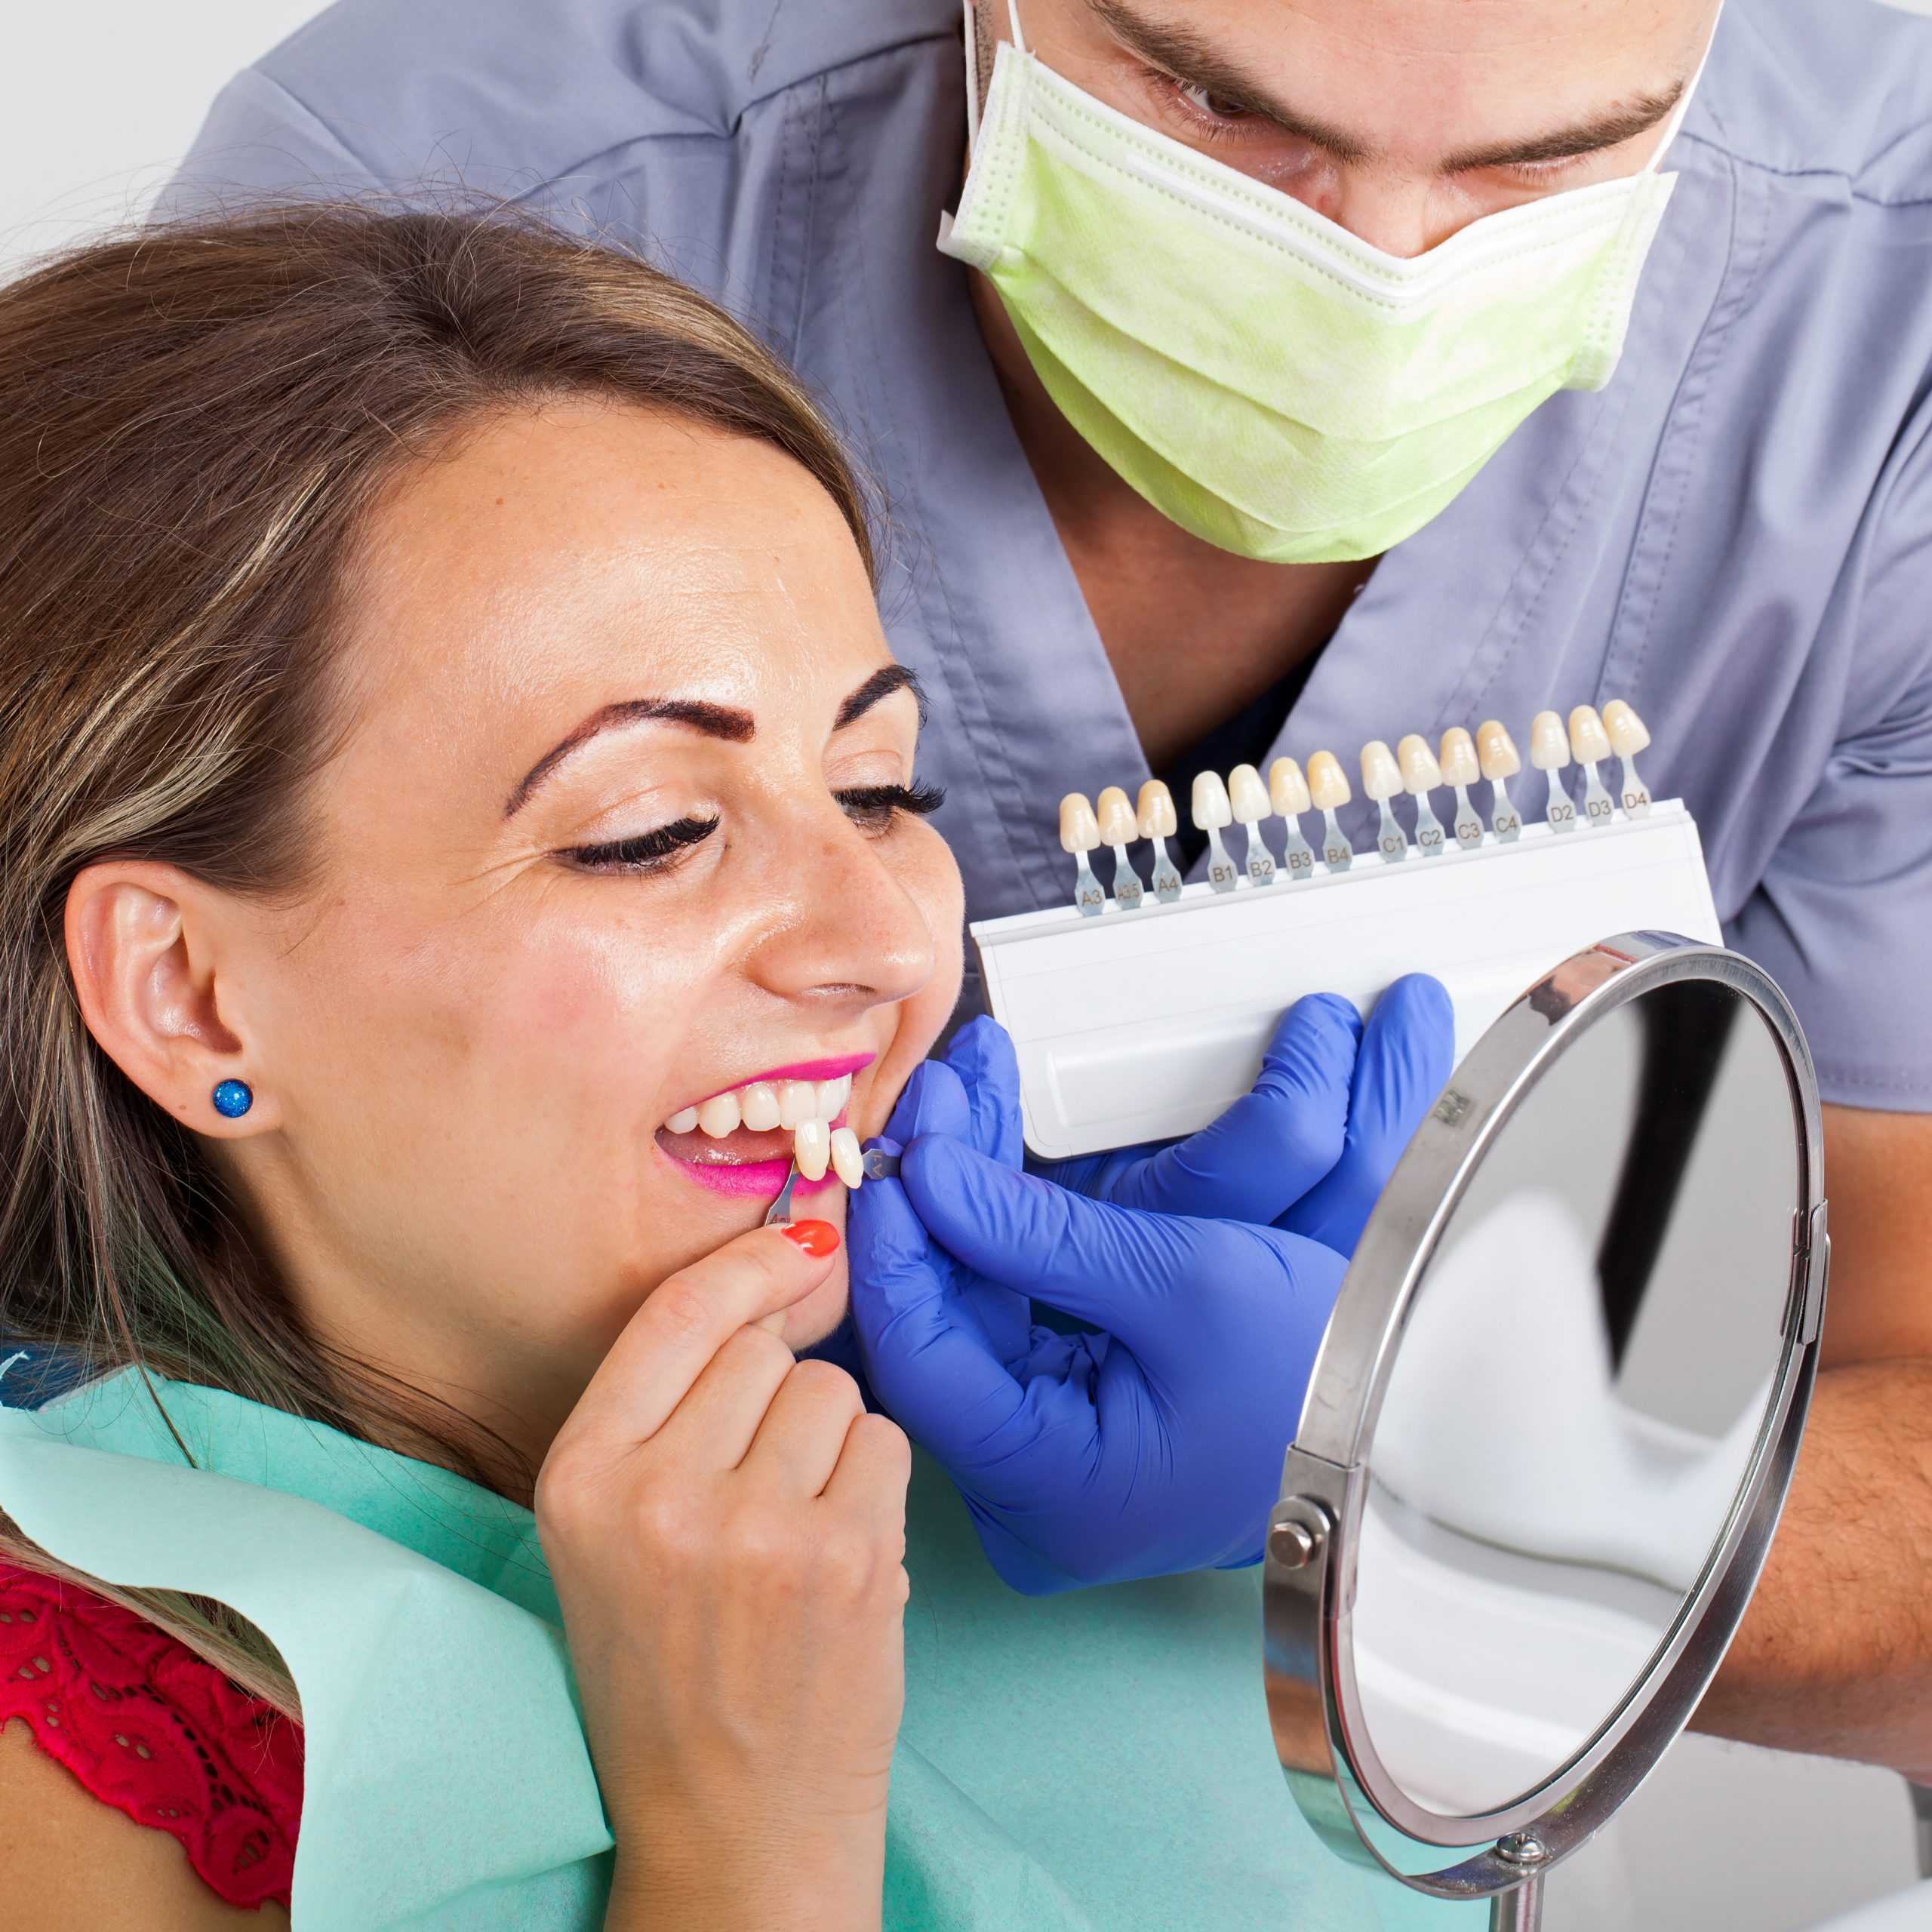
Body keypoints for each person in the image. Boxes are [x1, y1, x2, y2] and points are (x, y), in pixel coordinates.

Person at [165, 0, 1932, 1777]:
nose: (1376, 278)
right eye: (1212, 102)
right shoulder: (439, 213)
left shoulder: (1878, 285)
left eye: (1540, 163)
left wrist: (1423, 1491)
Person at [0, 207, 1456, 1930]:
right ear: (191, 997)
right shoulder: (81, 1756)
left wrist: (1406, 1533)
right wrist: (741, 1842)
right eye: (650, 831)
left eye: (877, 790)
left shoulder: (1005, 1454)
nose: (885, 942)